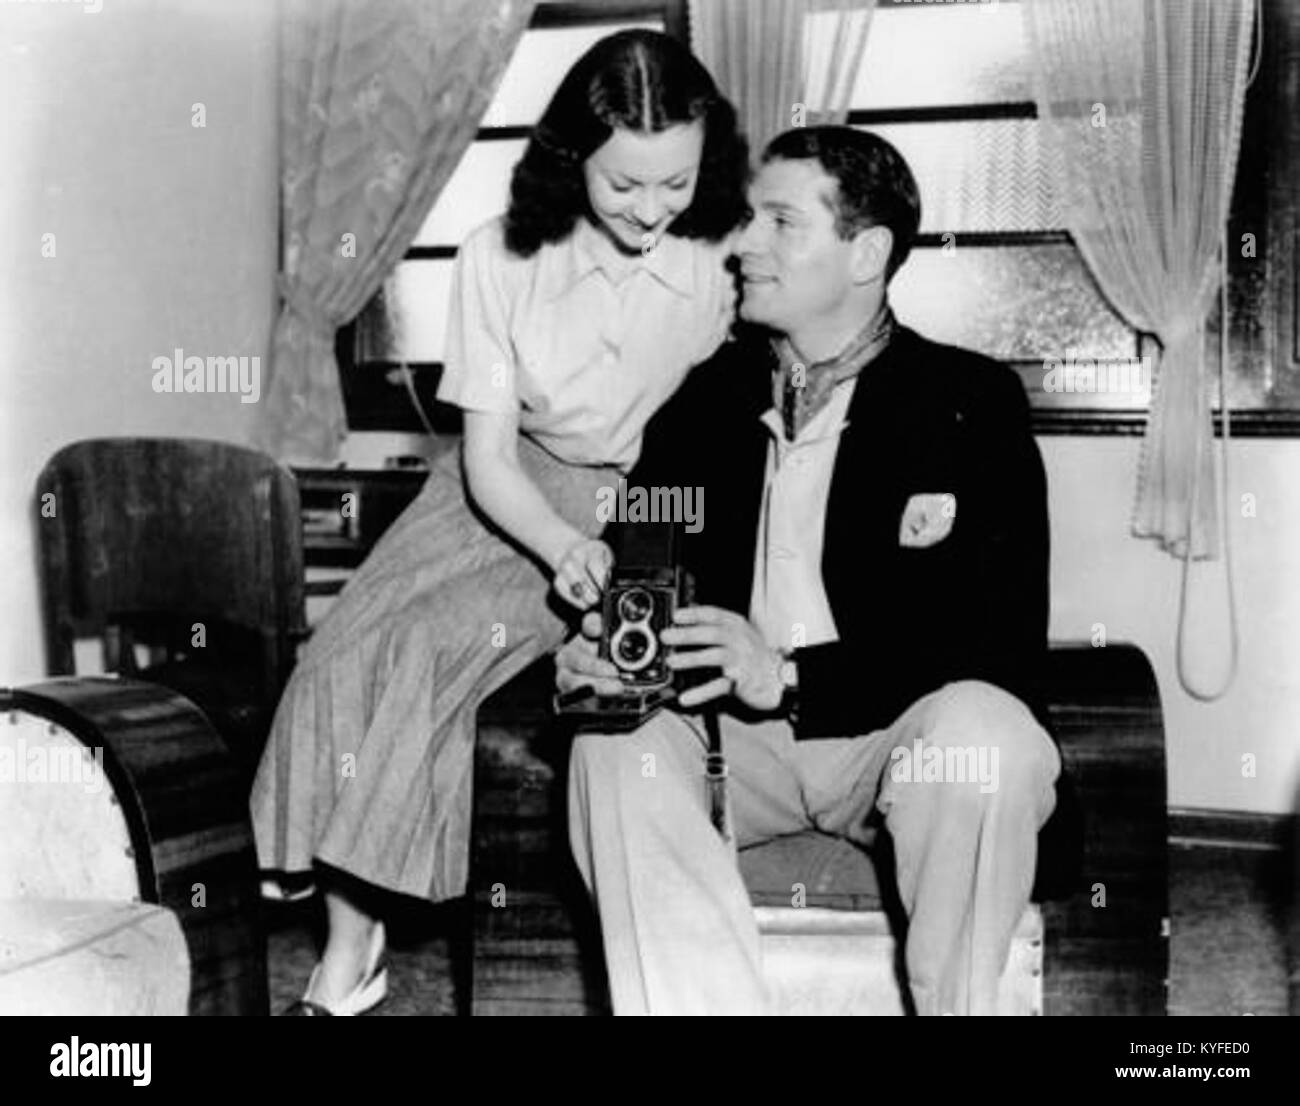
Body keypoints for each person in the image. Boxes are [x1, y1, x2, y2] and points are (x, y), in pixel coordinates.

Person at [250, 29, 749, 1015]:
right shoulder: (498, 256)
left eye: (674, 184)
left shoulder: (718, 257)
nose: (651, 211)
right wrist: (559, 546)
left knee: (433, 650)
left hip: (618, 501)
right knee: (343, 650)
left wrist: (615, 536)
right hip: (496, 492)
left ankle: (357, 943)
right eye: (623, 186)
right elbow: (483, 457)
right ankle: (354, 942)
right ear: (572, 160)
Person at [557, 125, 1065, 1016]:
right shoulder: (702, 398)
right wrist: (596, 656)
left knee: (991, 736)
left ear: (865, 252)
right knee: (610, 746)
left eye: (780, 222)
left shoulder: (971, 403)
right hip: (730, 749)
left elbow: (997, 646)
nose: (744, 243)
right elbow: (644, 572)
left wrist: (787, 675)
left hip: (890, 740)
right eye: (749, 219)